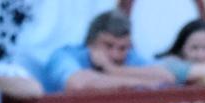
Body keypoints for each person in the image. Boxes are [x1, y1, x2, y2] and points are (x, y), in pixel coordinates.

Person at [42, 10, 175, 93]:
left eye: (122, 48)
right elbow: (77, 85)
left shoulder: (129, 56)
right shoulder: (65, 56)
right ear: (91, 43)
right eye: (108, 45)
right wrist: (145, 83)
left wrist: (111, 69)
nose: (115, 54)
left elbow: (167, 78)